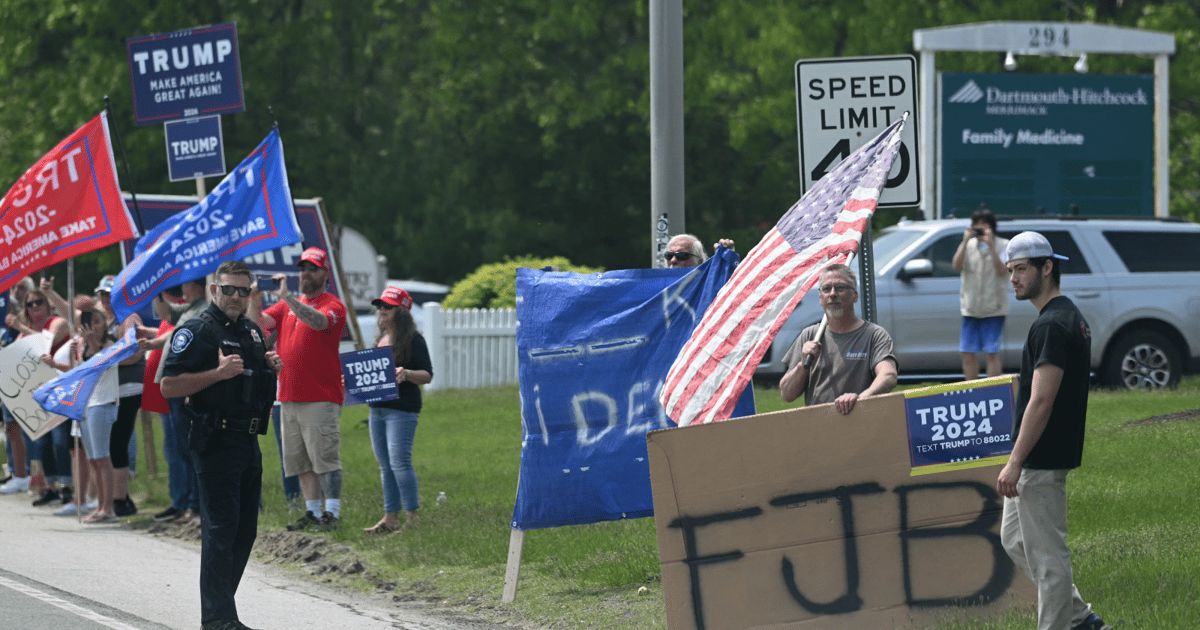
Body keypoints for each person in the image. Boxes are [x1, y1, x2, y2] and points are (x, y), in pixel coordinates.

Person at [997, 232, 1111, 630]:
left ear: (1047, 267)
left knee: (1049, 560)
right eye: (1010, 270)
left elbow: (1042, 399)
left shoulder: (1052, 324)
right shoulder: (1064, 317)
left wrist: (1015, 461)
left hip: (1041, 457)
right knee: (1014, 539)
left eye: (1021, 269)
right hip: (1037, 456)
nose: (1013, 278)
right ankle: (1081, 618)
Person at [160, 261, 281, 630]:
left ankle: (221, 609)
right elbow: (168, 386)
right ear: (214, 290)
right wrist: (217, 373)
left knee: (244, 531)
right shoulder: (197, 330)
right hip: (214, 439)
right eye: (228, 289)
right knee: (221, 529)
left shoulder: (251, 331)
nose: (235, 297)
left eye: (243, 291)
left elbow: (250, 382)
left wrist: (270, 367)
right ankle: (217, 618)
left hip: (247, 440)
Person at [258, 247, 347, 531]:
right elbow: (259, 323)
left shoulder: (333, 305)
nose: (306, 274)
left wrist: (287, 298)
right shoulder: (286, 307)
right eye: (303, 269)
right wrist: (252, 296)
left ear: (324, 274)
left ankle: (332, 513)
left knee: (325, 459)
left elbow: (319, 322)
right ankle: (313, 511)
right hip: (288, 396)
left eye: (312, 269)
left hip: (320, 397)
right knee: (300, 461)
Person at [779, 263, 898, 414]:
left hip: (860, 421)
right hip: (818, 425)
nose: (832, 294)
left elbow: (888, 375)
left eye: (840, 288)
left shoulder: (874, 335)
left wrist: (860, 399)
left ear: (854, 296)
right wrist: (802, 365)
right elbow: (787, 394)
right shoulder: (810, 335)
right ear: (820, 297)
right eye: (826, 289)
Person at [363, 287, 433, 534]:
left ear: (401, 311)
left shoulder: (414, 339)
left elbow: (427, 375)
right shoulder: (380, 338)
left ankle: (413, 519)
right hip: (378, 409)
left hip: (402, 410)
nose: (382, 310)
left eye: (388, 307)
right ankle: (390, 518)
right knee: (385, 465)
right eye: (380, 306)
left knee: (399, 462)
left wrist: (407, 373)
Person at [952, 208, 1009, 379]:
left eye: (984, 225)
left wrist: (991, 246)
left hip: (994, 308)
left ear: (992, 227)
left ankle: (993, 390)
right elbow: (956, 266)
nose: (980, 229)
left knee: (992, 353)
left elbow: (1003, 271)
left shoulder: (1003, 245)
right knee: (966, 352)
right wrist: (965, 241)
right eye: (977, 225)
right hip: (971, 309)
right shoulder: (968, 245)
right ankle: (973, 389)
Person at [662, 234, 735, 268]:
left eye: (681, 255)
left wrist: (727, 263)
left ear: (699, 261)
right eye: (669, 255)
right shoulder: (658, 287)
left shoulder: (708, 285)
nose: (673, 260)